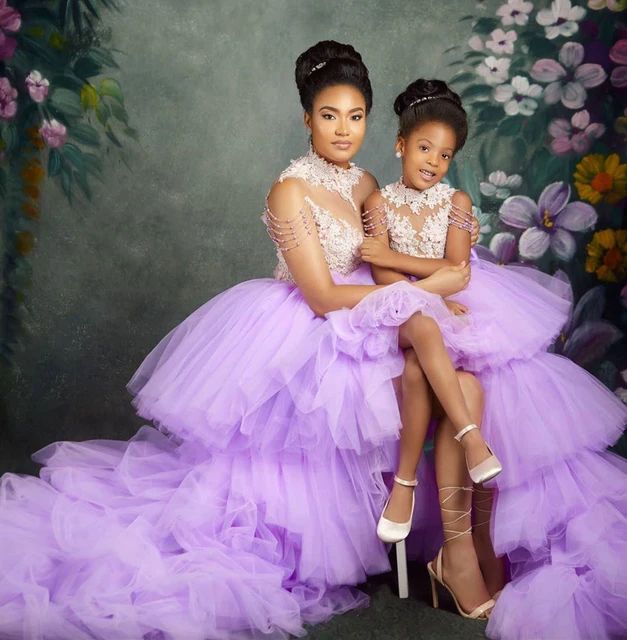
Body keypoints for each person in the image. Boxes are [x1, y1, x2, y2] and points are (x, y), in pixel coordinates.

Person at [0, 43, 491, 639]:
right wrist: (420, 295)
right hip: (312, 326)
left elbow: (385, 259)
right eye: (330, 115)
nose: (343, 129)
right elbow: (321, 296)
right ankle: (358, 530)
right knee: (366, 406)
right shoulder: (290, 191)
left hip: (371, 318)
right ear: (308, 118)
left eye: (356, 116)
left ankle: (456, 544)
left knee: (463, 377)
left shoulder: (367, 183)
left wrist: (432, 278)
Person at [360, 77, 627, 640]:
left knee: (472, 388)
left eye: (446, 154)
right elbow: (384, 279)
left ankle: (466, 550)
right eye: (424, 148)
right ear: (401, 145)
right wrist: (413, 269)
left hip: (451, 319)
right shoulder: (379, 201)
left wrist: (398, 256)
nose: (433, 162)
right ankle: (461, 523)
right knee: (422, 338)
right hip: (396, 322)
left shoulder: (455, 202)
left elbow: (460, 267)